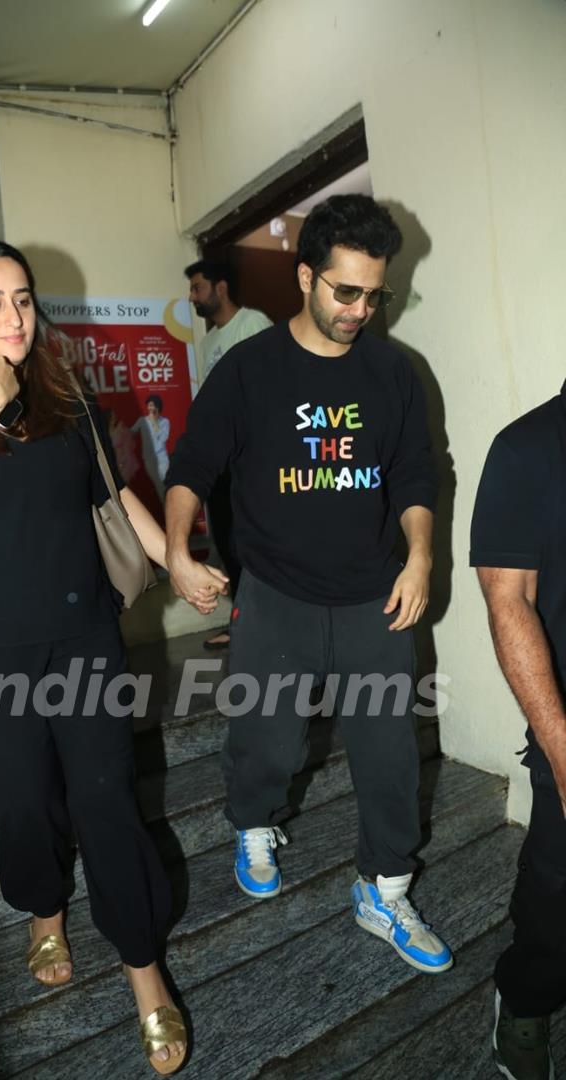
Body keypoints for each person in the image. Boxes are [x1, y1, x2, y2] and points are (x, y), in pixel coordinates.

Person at [0, 238, 219, 1075]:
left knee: (108, 801)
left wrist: (175, 558)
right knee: (27, 809)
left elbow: (112, 496)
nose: (14, 317)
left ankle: (144, 972)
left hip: (82, 643)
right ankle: (43, 910)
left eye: (24, 299)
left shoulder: (64, 395)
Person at [166, 195, 452, 975]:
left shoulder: (395, 372)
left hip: (374, 597)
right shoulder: (249, 370)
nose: (360, 309)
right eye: (344, 291)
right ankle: (253, 821)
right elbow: (192, 466)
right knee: (267, 739)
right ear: (304, 277)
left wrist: (421, 556)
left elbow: (417, 474)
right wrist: (176, 551)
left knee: (390, 750)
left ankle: (385, 889)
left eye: (374, 294)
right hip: (278, 594)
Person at [470, 386, 566, 1078]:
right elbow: (509, 603)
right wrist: (562, 749)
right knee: (558, 884)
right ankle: (525, 999)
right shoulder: (527, 447)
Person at [185, 259, 272, 649]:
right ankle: (242, 623)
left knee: (256, 540)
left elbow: (271, 390)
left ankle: (269, 624)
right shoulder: (207, 342)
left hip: (252, 458)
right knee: (229, 541)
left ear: (221, 288)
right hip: (220, 460)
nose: (193, 296)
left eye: (198, 287)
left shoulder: (252, 324)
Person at [131, 395, 171, 501]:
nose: (150, 408)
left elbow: (163, 438)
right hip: (149, 458)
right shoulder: (142, 420)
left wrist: (154, 423)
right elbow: (131, 432)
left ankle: (167, 505)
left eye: (152, 405)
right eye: (148, 406)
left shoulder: (165, 422)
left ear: (158, 407)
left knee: (165, 482)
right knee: (158, 484)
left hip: (162, 457)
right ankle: (165, 506)